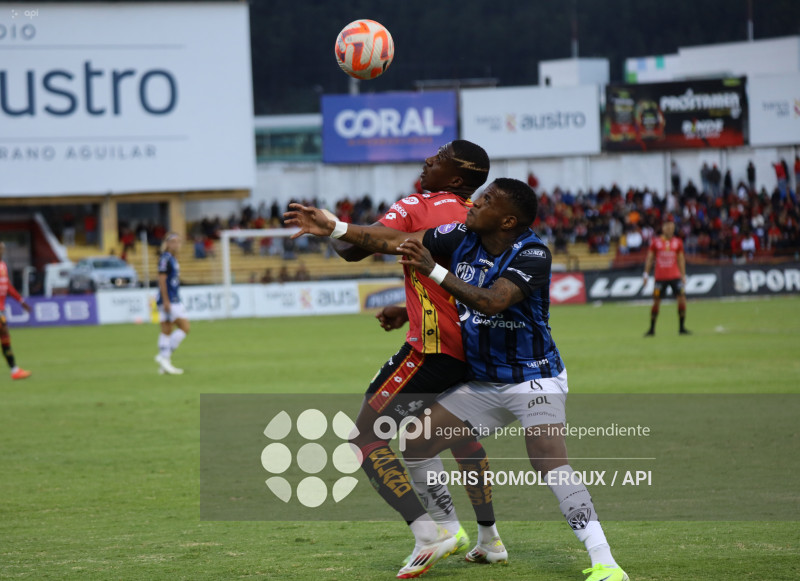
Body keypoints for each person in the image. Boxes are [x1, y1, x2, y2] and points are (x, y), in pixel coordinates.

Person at [287, 177, 628, 581]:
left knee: (548, 461)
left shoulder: (533, 253)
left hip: (534, 378)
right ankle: (451, 531)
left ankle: (605, 560)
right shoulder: (460, 235)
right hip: (484, 382)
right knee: (416, 440)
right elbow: (398, 240)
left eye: (486, 201)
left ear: (507, 220)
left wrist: (432, 270)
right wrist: (337, 229)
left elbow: (493, 300)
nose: (474, 203)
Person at [287, 140, 507, 578]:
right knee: (454, 436)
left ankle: (430, 533)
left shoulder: (420, 204)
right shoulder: (476, 219)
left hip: (433, 348)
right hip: (480, 352)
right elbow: (461, 289)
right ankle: (489, 538)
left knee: (364, 438)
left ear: (458, 177)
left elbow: (355, 249)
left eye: (439, 159)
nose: (428, 161)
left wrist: (332, 226)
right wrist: (407, 308)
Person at [643, 217, 690, 336]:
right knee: (656, 302)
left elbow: (681, 260)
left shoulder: (678, 242)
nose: (670, 228)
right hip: (660, 277)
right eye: (667, 226)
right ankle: (652, 329)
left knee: (682, 299)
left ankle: (681, 328)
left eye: (671, 226)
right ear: (663, 228)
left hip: (675, 276)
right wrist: (645, 274)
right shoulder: (655, 242)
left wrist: (683, 275)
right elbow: (649, 259)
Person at [155, 233, 189, 375]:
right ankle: (164, 357)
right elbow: (162, 280)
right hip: (170, 300)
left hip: (173, 298)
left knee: (168, 329)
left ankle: (164, 363)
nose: (176, 244)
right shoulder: (165, 258)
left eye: (178, 242)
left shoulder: (173, 259)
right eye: (173, 242)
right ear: (167, 243)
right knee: (182, 327)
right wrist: (166, 300)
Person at [0, 242, 32, 380]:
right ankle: (14, 370)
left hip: (1, 309)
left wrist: (21, 301)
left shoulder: (3, 266)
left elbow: (7, 287)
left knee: (5, 337)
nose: (2, 250)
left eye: (3, 249)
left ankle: (15, 370)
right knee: (4, 334)